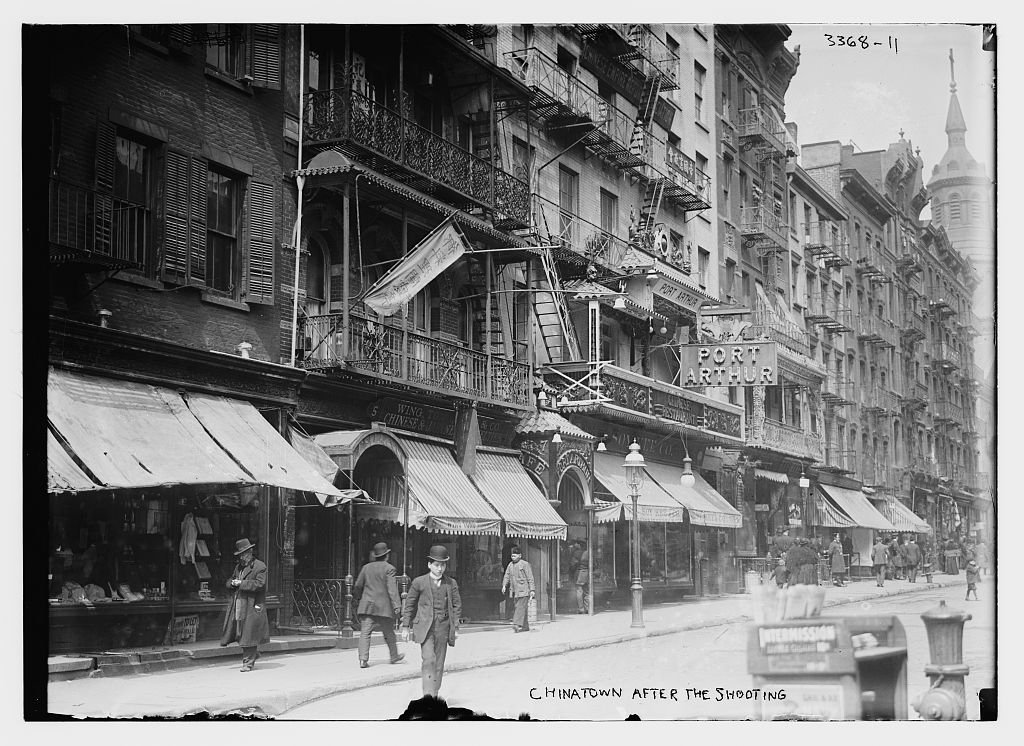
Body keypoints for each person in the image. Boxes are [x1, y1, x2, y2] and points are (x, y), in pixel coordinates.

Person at [401, 545, 462, 699]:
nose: (440, 568)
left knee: (439, 664)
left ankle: (434, 693)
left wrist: (456, 627)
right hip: (425, 629)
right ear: (429, 565)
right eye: (436, 565)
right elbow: (409, 604)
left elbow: (457, 605)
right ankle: (428, 695)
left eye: (443, 565)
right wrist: (405, 627)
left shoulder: (451, 583)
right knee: (429, 659)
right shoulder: (419, 582)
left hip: (443, 627)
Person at [219, 538, 270, 672]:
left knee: (249, 633)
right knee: (240, 632)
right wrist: (231, 583)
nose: (243, 557)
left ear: (251, 552)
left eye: (245, 554)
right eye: (241, 555)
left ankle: (248, 663)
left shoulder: (260, 566)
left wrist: (241, 584)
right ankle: (254, 654)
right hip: (240, 604)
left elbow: (260, 584)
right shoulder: (239, 567)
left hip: (253, 604)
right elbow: (230, 580)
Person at [352, 541, 405, 669]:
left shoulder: (366, 568)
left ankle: (363, 660)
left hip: (367, 605)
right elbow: (392, 588)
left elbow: (358, 585)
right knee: (389, 632)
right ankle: (394, 656)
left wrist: (358, 597)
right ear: (387, 555)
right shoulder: (389, 569)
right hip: (384, 607)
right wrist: (397, 605)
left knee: (365, 633)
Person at [501, 545, 536, 632]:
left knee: (519, 608)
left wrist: (532, 590)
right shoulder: (510, 565)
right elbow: (507, 576)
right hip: (515, 591)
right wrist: (504, 585)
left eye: (515, 556)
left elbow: (530, 578)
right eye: (512, 556)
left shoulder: (525, 564)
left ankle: (516, 624)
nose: (513, 558)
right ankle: (525, 627)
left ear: (520, 556)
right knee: (520, 607)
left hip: (524, 590)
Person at [573, 541, 591, 614]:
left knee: (579, 591)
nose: (575, 545)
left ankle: (581, 609)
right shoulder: (588, 552)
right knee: (587, 592)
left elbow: (572, 564)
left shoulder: (576, 553)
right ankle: (588, 608)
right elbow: (595, 564)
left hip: (579, 573)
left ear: (579, 545)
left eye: (576, 543)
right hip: (587, 574)